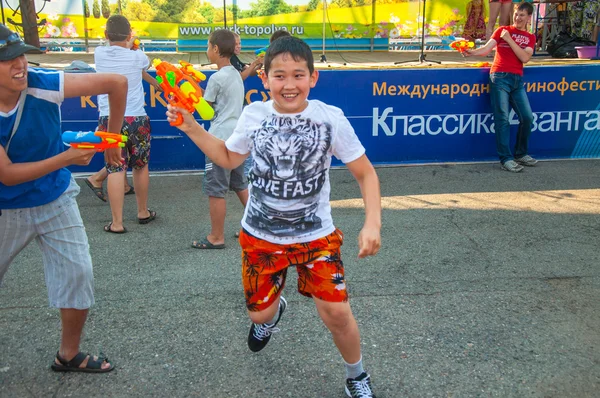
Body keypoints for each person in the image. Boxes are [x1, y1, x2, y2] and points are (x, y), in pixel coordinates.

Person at [166, 36, 382, 398]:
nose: (289, 84)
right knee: (258, 316)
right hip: (261, 238)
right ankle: (272, 312)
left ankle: (356, 375)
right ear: (264, 79)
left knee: (337, 313)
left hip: (316, 237)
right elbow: (228, 158)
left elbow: (366, 173)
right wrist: (191, 126)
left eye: (299, 75)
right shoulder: (254, 116)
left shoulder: (331, 119)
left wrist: (372, 222)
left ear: (313, 78)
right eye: (279, 76)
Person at [0, 24, 126, 372]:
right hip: (5, 207)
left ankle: (68, 355)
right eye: (6, 59)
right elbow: (7, 174)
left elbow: (116, 83)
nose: (19, 65)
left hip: (55, 197)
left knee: (77, 274)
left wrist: (112, 139)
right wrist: (69, 157)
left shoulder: (43, 82)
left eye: (20, 55)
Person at [94, 15, 159, 233]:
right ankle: (142, 212)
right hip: (136, 118)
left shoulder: (99, 53)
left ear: (106, 36)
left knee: (115, 168)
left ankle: (117, 223)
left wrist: (128, 43)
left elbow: (115, 48)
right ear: (130, 35)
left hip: (109, 118)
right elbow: (146, 64)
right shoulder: (138, 56)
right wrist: (133, 45)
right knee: (140, 166)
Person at [191, 29, 248, 249]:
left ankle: (216, 236)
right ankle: (256, 226)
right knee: (240, 184)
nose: (207, 50)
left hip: (219, 139)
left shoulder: (216, 77)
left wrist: (192, 92)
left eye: (208, 46)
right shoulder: (234, 73)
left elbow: (206, 111)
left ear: (216, 49)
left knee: (216, 190)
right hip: (237, 137)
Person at [466, 1, 537, 172]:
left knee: (527, 118)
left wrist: (509, 39)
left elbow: (524, 58)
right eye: (516, 14)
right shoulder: (501, 31)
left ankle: (521, 153)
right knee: (502, 119)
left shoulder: (530, 37)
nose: (517, 17)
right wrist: (471, 52)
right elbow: (486, 49)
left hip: (517, 80)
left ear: (528, 17)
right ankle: (506, 158)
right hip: (499, 77)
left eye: (522, 15)